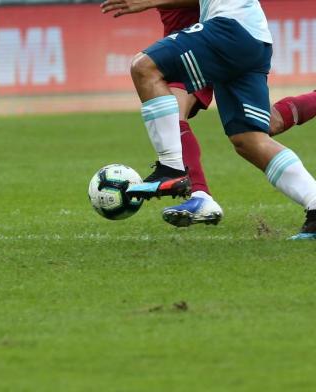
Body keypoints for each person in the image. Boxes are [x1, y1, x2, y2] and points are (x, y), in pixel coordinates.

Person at [102, 0, 316, 240]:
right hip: (248, 35)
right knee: (250, 139)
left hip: (228, 28)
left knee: (144, 68)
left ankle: (176, 173)